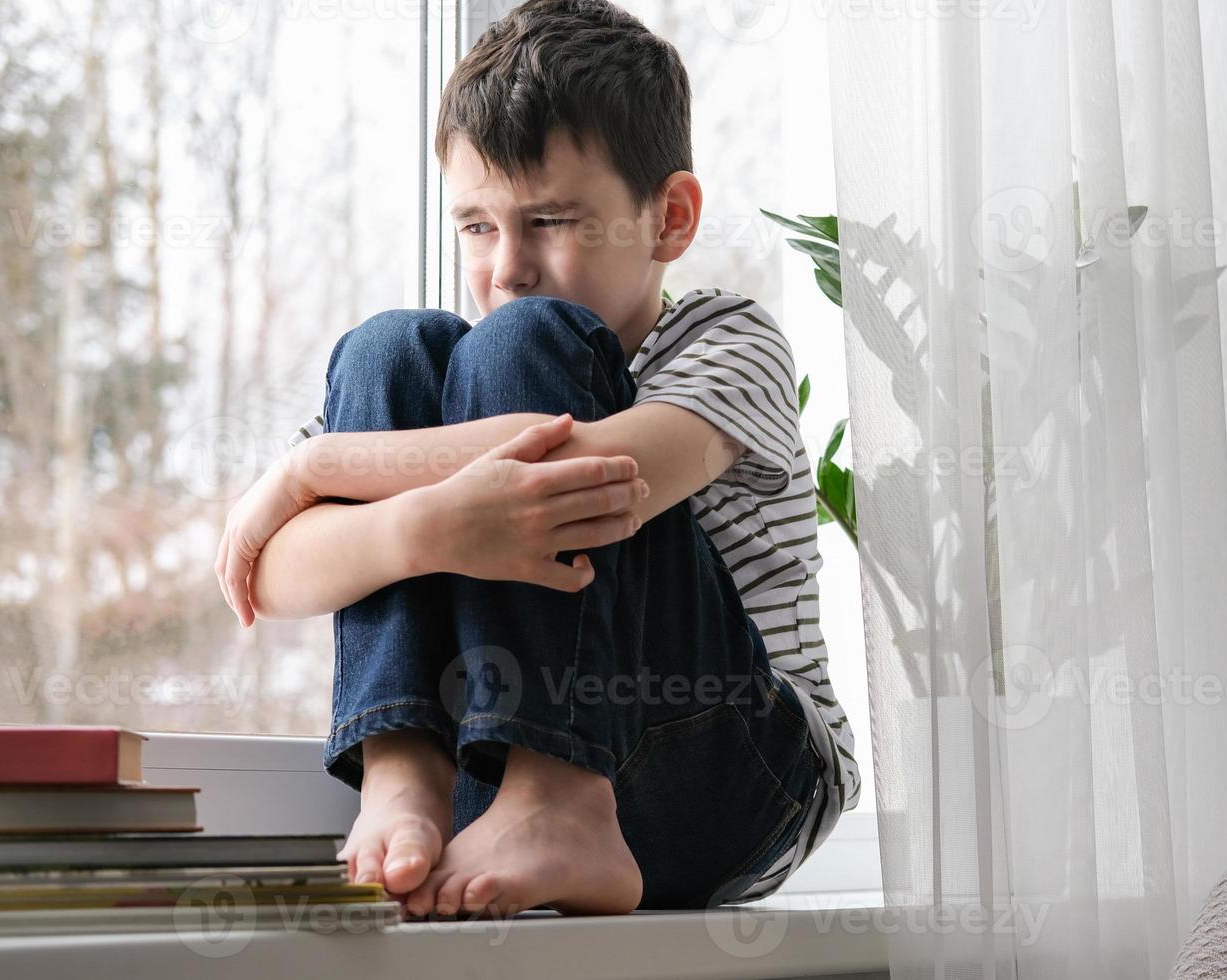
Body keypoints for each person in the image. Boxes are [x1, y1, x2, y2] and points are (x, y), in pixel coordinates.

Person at [214, 0, 860, 919]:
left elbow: (588, 478)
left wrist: (307, 475)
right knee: (389, 347)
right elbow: (271, 575)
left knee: (522, 344)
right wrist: (419, 526)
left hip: (736, 774)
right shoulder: (435, 386)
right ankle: (404, 769)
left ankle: (557, 795)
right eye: (477, 226)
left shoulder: (729, 341)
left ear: (670, 218)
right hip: (492, 774)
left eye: (550, 220)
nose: (505, 266)